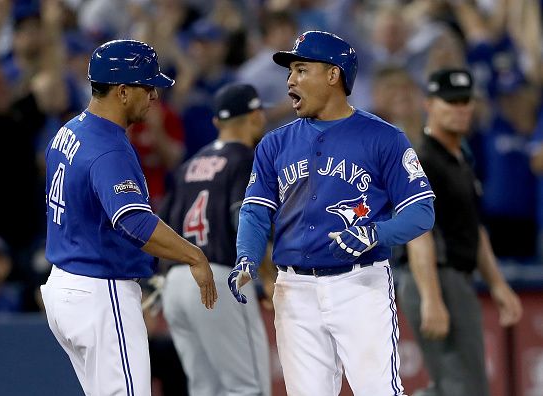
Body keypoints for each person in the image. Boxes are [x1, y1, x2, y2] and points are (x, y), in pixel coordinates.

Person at [228, 30, 436, 396]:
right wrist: (246, 255)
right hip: (294, 288)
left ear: (333, 75)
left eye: (301, 69)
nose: (290, 80)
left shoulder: (383, 137)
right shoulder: (275, 143)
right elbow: (255, 210)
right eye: (291, 71)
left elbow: (422, 211)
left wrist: (377, 233)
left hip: (359, 285)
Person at [40, 39, 217, 396]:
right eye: (147, 86)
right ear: (122, 91)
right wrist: (193, 255)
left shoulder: (69, 130)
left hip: (66, 284)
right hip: (99, 290)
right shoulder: (109, 147)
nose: (154, 95)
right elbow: (134, 222)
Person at [396, 68, 523, 396]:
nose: (460, 108)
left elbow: (474, 229)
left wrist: (497, 284)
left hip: (454, 276)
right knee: (462, 388)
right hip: (434, 275)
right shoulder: (423, 160)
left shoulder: (459, 159)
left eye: (465, 101)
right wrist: (432, 298)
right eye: (450, 101)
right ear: (429, 105)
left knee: (462, 387)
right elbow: (418, 233)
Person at [161, 83, 271, 396]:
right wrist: (267, 275)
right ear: (256, 116)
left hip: (177, 284)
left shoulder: (189, 166)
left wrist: (159, 279)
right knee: (247, 388)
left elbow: (162, 225)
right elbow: (245, 220)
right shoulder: (246, 159)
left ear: (216, 123)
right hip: (219, 278)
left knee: (204, 388)